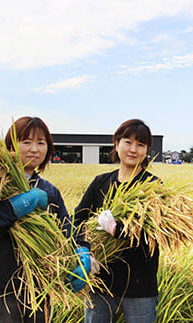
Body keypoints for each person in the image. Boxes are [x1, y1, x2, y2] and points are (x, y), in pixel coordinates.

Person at [0, 117, 90, 323]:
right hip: (0, 293)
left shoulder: (49, 191)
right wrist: (22, 204)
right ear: (11, 146)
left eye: (41, 143)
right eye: (26, 142)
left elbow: (66, 229)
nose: (34, 149)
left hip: (38, 291)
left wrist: (82, 251)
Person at [74, 119, 159, 323]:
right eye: (128, 142)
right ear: (116, 143)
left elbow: (153, 234)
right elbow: (77, 219)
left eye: (140, 144)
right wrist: (83, 249)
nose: (133, 149)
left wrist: (116, 229)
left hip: (140, 284)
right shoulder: (101, 183)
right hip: (100, 281)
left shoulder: (153, 186)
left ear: (147, 150)